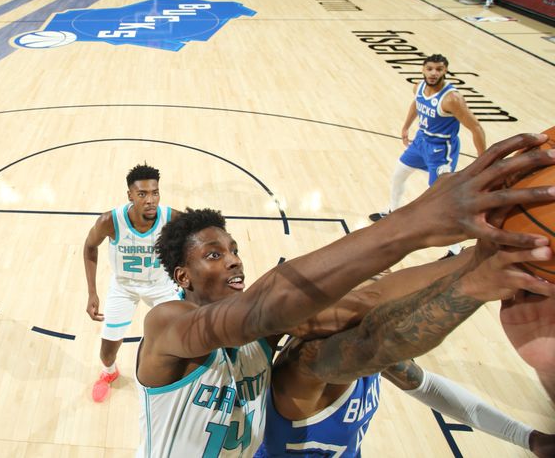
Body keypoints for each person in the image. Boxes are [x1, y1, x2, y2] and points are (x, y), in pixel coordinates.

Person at [134, 132, 555, 457]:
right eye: (214, 254)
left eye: (234, 250)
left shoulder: (261, 338)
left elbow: (365, 301)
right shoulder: (167, 325)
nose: (233, 261)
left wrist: (481, 256)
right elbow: (260, 307)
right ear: (183, 277)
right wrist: (414, 223)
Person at [254, 245, 555, 457]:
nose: (392, 292)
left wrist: (528, 437)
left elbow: (428, 387)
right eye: (378, 286)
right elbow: (380, 339)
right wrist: (474, 273)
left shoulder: (366, 354)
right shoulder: (306, 363)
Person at [369, 54, 486, 257]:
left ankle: (455, 249)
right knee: (398, 174)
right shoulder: (419, 86)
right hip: (421, 141)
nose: (433, 73)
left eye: (439, 69)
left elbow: (475, 127)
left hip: (441, 150)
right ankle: (392, 211)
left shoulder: (452, 99)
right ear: (423, 70)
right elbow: (416, 104)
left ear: (445, 71)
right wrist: (406, 126)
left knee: (442, 198)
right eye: (430, 69)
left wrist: (484, 157)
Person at [83, 163, 181, 403]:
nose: (150, 200)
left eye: (155, 192)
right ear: (130, 195)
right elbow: (89, 247)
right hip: (124, 288)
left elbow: (195, 247)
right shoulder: (110, 221)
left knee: (182, 338)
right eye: (142, 194)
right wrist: (92, 293)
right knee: (106, 352)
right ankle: (109, 372)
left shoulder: (172, 219)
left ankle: (179, 381)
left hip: (161, 286)